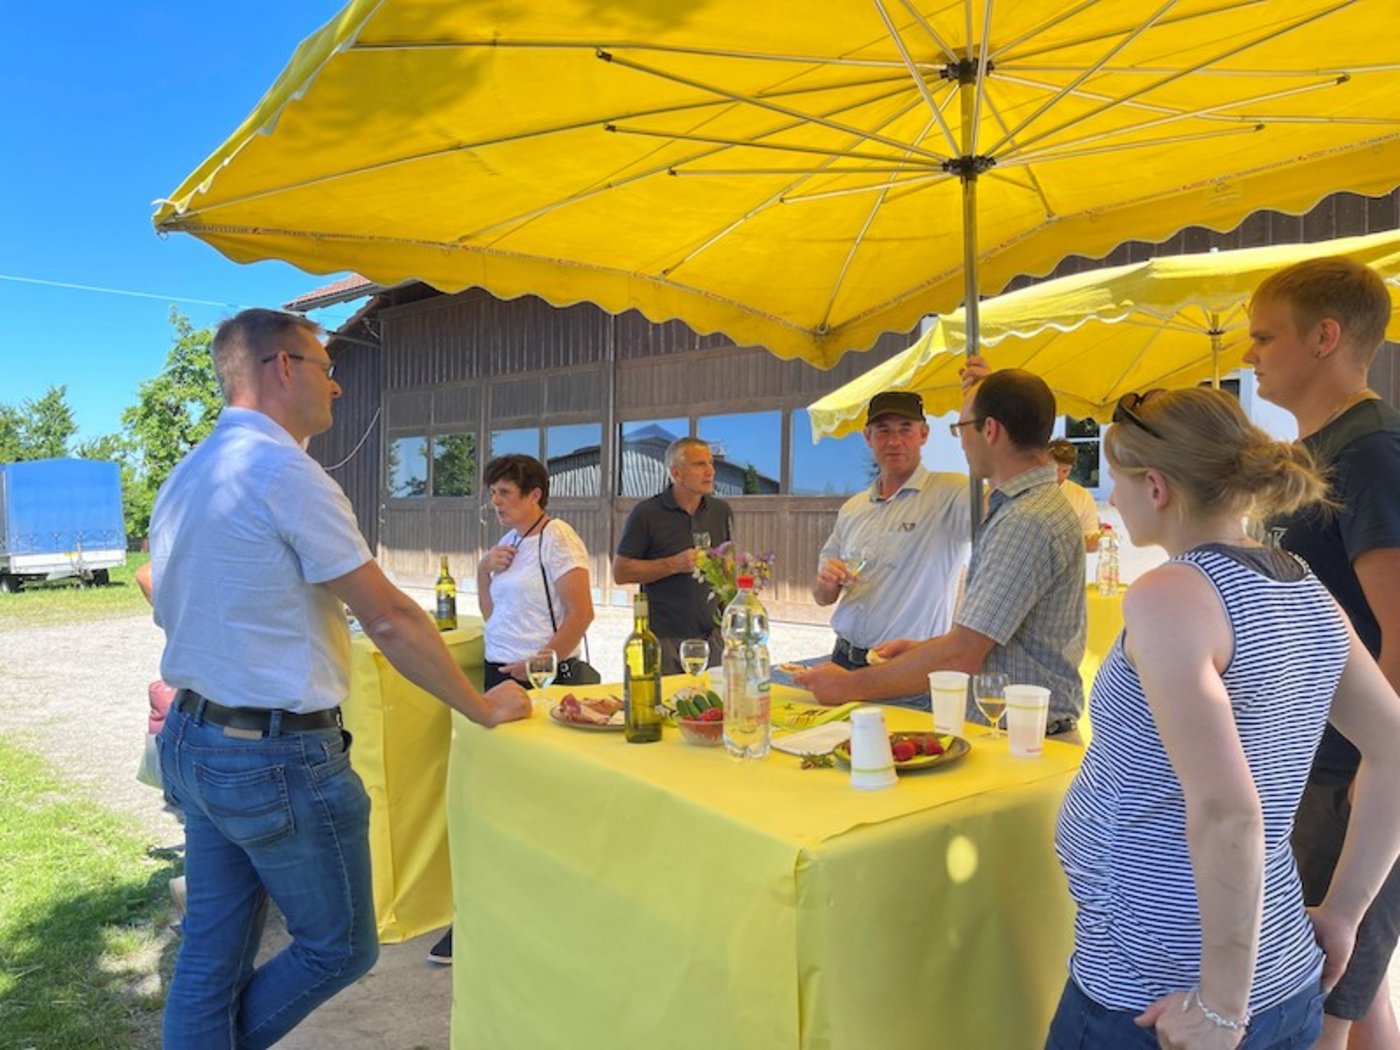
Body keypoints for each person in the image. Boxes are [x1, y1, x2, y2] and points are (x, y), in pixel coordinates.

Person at [149, 308, 531, 1049]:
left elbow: (167, 595)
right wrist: (478, 706)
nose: (340, 387)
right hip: (272, 755)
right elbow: (387, 617)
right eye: (328, 367)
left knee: (209, 955)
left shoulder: (187, 474)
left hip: (198, 738)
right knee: (341, 946)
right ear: (281, 368)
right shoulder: (284, 472)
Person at [1048, 386, 1400, 1050]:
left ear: (1155, 487)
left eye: (1115, 480)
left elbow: (1228, 811)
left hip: (1161, 992)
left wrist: (1221, 1007)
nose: (1112, 499)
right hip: (1277, 971)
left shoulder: (1171, 596)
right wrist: (1346, 909)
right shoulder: (1299, 580)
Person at [1244, 255, 1400, 1050]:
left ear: (1325, 338)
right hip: (1318, 758)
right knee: (1356, 988)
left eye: (1263, 337)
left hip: (1350, 772)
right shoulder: (1319, 450)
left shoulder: (1369, 452)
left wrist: (1378, 775)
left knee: (1318, 996)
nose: (1249, 354)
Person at [797, 367, 1086, 737]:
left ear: (991, 430)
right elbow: (988, 637)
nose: (962, 443)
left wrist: (848, 686)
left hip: (1021, 735)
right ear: (868, 437)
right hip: (1004, 725)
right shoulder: (1022, 509)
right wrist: (923, 649)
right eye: (884, 429)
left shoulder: (1020, 516)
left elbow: (963, 652)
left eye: (962, 428)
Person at [811, 390, 969, 693]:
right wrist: (827, 581)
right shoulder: (854, 508)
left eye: (905, 429)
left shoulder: (953, 493)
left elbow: (998, 512)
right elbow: (821, 597)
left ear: (923, 434)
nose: (894, 440)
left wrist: (982, 409)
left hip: (907, 668)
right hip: (842, 658)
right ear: (868, 437)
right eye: (883, 430)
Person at [613, 436, 734, 674]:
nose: (710, 470)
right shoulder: (646, 514)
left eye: (711, 463)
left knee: (714, 709)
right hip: (663, 641)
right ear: (676, 474)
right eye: (699, 464)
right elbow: (621, 572)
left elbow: (726, 571)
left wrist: (731, 620)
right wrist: (673, 564)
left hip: (712, 639)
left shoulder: (720, 511)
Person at [477, 454, 595, 690]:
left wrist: (539, 664)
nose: (496, 501)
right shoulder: (509, 540)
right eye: (493, 493)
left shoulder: (557, 537)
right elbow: (495, 616)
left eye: (505, 492)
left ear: (534, 495)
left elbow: (581, 614)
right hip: (498, 667)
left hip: (538, 676)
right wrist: (483, 570)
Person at [1048, 437, 1102, 552]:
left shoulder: (1082, 496)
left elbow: (1092, 543)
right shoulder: (1027, 491)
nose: (1058, 476)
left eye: (1065, 471)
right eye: (1054, 469)